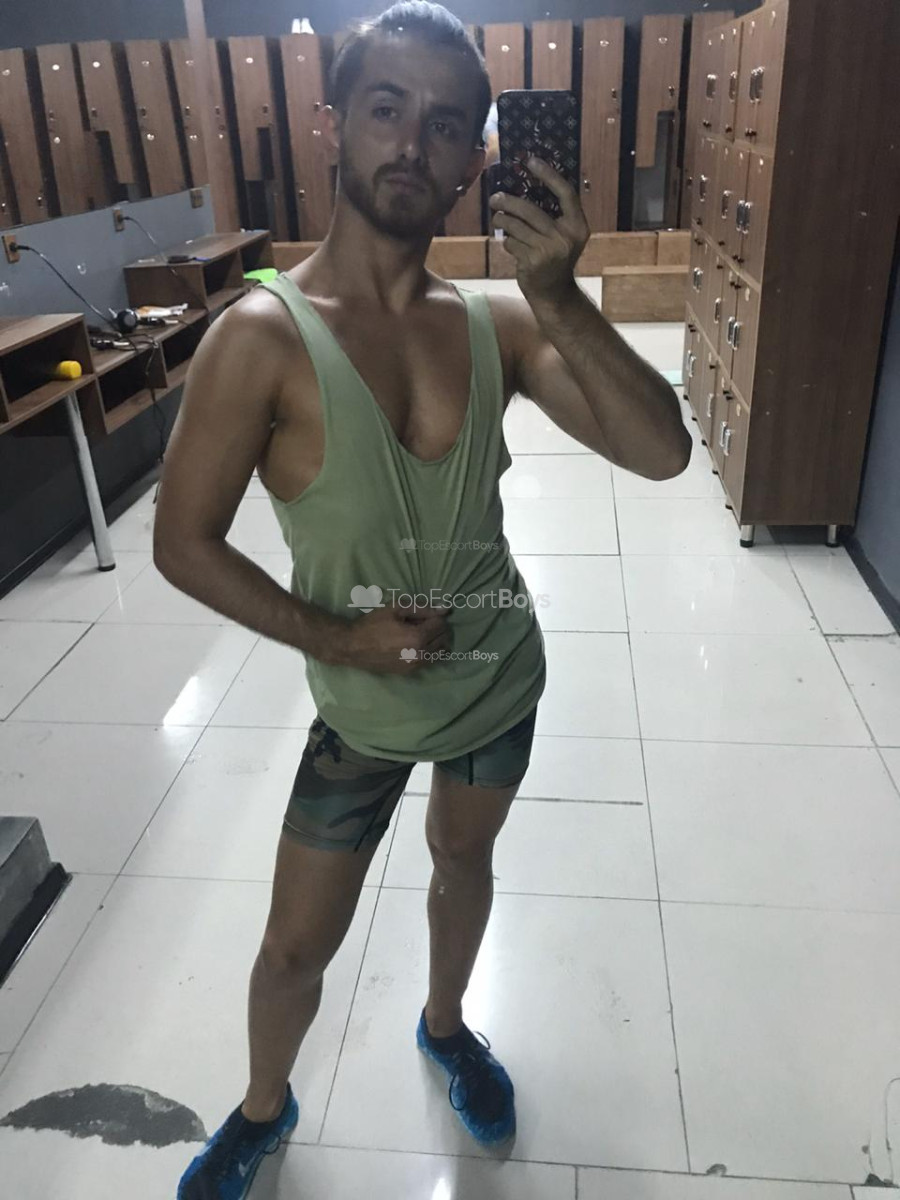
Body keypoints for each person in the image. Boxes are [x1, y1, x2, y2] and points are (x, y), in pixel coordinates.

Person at [155, 3, 691, 1196]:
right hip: (360, 708)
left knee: (464, 861)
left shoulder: (501, 323)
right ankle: (261, 1108)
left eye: (446, 124)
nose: (412, 143)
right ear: (333, 125)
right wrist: (340, 638)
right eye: (387, 110)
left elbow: (663, 455)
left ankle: (447, 1028)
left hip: (497, 681)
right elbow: (182, 545)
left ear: (474, 158)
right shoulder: (261, 338)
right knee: (294, 946)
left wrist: (561, 294)